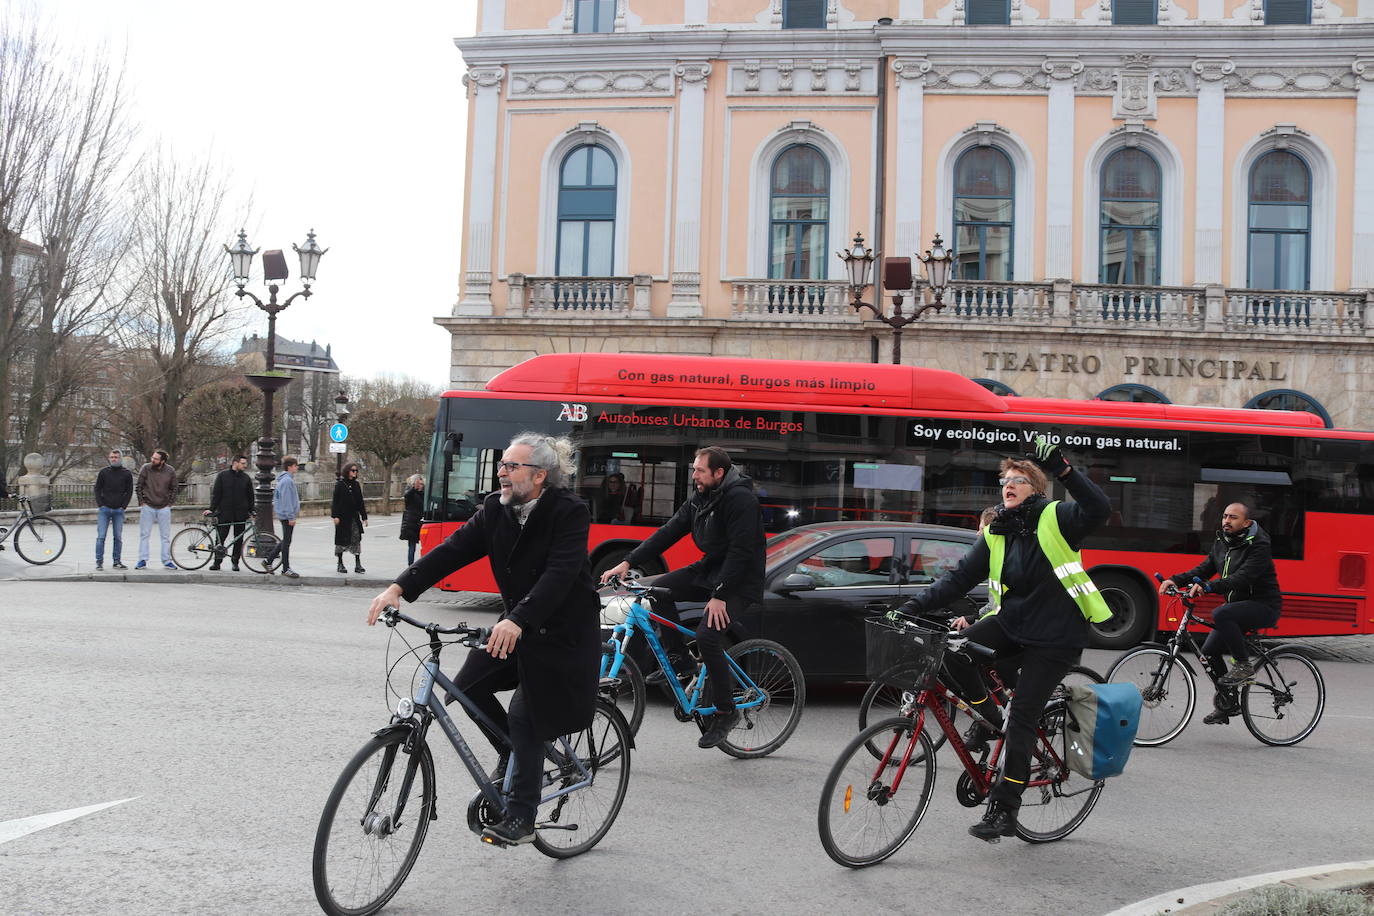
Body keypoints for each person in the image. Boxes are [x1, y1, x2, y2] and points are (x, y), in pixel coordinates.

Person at [366, 433, 600, 847]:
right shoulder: (496, 509)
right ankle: (511, 751)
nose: (501, 473)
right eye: (502, 465)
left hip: (562, 635)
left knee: (527, 714)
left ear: (540, 475)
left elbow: (560, 574)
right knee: (467, 687)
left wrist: (518, 620)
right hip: (519, 625)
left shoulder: (569, 512)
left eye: (512, 466)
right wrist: (398, 588)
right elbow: (452, 551)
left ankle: (522, 817)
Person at [895, 436, 1111, 842]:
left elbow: (1099, 509)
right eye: (1004, 481)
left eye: (1018, 480)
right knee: (953, 654)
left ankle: (1005, 811)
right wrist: (910, 607)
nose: (1008, 485)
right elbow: (958, 578)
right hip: (1013, 624)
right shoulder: (997, 530)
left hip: (1056, 636)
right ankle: (993, 721)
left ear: (1037, 489)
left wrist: (1064, 468)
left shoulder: (1057, 517)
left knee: (1024, 718)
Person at [600, 445, 765, 750]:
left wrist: (721, 594)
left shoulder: (741, 499)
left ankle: (726, 712)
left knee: (708, 637)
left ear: (720, 472)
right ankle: (681, 660)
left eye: (700, 470)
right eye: (694, 469)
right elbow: (669, 531)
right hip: (713, 568)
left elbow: (742, 551)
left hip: (739, 580)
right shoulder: (702, 497)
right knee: (661, 590)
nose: (694, 476)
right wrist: (627, 562)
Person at [1160, 501, 1282, 725]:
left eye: (1233, 517)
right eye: (1225, 516)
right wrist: (1175, 580)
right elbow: (1205, 568)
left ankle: (1244, 666)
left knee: (1222, 613)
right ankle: (1228, 704)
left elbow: (1243, 577)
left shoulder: (1259, 545)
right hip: (1237, 608)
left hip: (1263, 606)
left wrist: (1209, 587)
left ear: (1246, 523)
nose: (1226, 521)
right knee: (1209, 651)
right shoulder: (1223, 541)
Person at [206, 455, 254, 571]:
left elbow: (250, 496)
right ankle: (217, 562)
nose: (245, 465)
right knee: (220, 538)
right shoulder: (223, 476)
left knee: (238, 539)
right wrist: (212, 509)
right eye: (243, 463)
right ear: (235, 463)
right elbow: (216, 494)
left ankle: (235, 562)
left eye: (245, 463)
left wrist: (252, 510)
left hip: (240, 513)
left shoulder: (246, 478)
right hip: (224, 512)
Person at [135, 449, 178, 570]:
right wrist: (141, 502)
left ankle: (166, 560)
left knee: (165, 536)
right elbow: (139, 485)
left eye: (156, 459)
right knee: (144, 534)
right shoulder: (146, 468)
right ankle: (142, 559)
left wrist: (170, 503)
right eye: (152, 457)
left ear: (162, 461)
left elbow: (175, 487)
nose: (152, 460)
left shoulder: (170, 471)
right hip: (148, 505)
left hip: (164, 507)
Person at [94, 448, 133, 570]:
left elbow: (129, 491)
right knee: (101, 537)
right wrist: (101, 504)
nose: (113, 459)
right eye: (111, 457)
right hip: (104, 510)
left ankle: (117, 561)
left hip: (118, 510)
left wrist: (123, 506)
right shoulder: (103, 472)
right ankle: (99, 562)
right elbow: (97, 489)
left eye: (115, 457)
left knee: (118, 537)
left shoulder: (126, 473)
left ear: (120, 458)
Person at [332, 462, 369, 574]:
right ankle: (340, 563)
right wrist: (335, 516)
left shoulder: (356, 485)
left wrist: (364, 517)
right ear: (347, 471)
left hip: (354, 517)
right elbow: (335, 502)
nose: (355, 472)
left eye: (356, 471)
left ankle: (358, 564)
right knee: (341, 540)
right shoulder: (340, 484)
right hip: (342, 518)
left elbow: (360, 502)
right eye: (353, 470)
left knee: (356, 539)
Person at [270, 456, 301, 578]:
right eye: (295, 465)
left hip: (283, 514)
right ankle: (285, 568)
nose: (297, 467)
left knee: (286, 540)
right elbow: (287, 500)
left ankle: (268, 561)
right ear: (290, 466)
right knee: (286, 542)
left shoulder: (282, 480)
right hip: (287, 515)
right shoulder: (287, 481)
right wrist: (291, 516)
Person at [399, 474, 425, 565]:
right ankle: (411, 565)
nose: (420, 486)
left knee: (425, 544)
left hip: (421, 522)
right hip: (411, 522)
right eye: (418, 483)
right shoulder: (410, 492)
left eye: (421, 484)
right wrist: (414, 488)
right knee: (412, 546)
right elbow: (406, 496)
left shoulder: (424, 493)